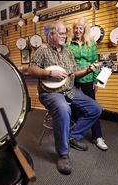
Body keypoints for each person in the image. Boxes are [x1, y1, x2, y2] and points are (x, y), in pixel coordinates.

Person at [27, 20, 102, 175]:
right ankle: (62, 154)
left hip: (69, 90)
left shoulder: (68, 52)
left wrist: (89, 70)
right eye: (60, 33)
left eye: (64, 34)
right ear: (51, 34)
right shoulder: (43, 50)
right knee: (63, 109)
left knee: (95, 109)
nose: (63, 36)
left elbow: (73, 72)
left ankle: (72, 136)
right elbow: (31, 70)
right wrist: (49, 73)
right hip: (50, 93)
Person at [64, 17, 108, 151]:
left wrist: (97, 80)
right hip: (73, 79)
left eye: (80, 28)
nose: (78, 30)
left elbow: (96, 62)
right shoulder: (68, 44)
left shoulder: (91, 43)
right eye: (76, 28)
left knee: (93, 106)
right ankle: (75, 135)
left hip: (88, 79)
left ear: (84, 30)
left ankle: (98, 136)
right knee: (74, 106)